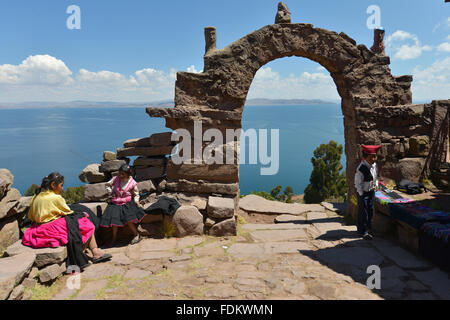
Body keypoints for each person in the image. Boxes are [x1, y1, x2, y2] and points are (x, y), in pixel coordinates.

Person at [22, 172, 112, 268]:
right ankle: (86, 253)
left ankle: (94, 251)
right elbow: (68, 212)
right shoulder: (56, 197)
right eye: (61, 185)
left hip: (38, 228)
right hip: (51, 227)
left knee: (79, 223)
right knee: (85, 223)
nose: (62, 188)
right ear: (53, 185)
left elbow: (31, 216)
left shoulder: (36, 197)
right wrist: (82, 214)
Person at [100, 164, 146, 246]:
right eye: (119, 173)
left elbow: (136, 194)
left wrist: (136, 201)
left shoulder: (132, 183)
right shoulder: (115, 179)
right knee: (114, 221)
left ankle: (136, 234)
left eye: (123, 174)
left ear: (128, 174)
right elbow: (107, 185)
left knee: (129, 219)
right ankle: (114, 238)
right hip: (115, 202)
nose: (120, 176)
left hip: (127, 203)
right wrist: (110, 192)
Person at [354, 145, 381, 240]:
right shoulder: (361, 168)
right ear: (366, 156)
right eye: (372, 156)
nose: (375, 158)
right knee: (363, 212)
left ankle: (369, 229)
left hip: (371, 192)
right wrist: (361, 195)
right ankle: (363, 231)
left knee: (370, 210)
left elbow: (375, 176)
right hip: (363, 193)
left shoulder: (374, 165)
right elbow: (358, 183)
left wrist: (376, 184)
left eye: (375, 156)